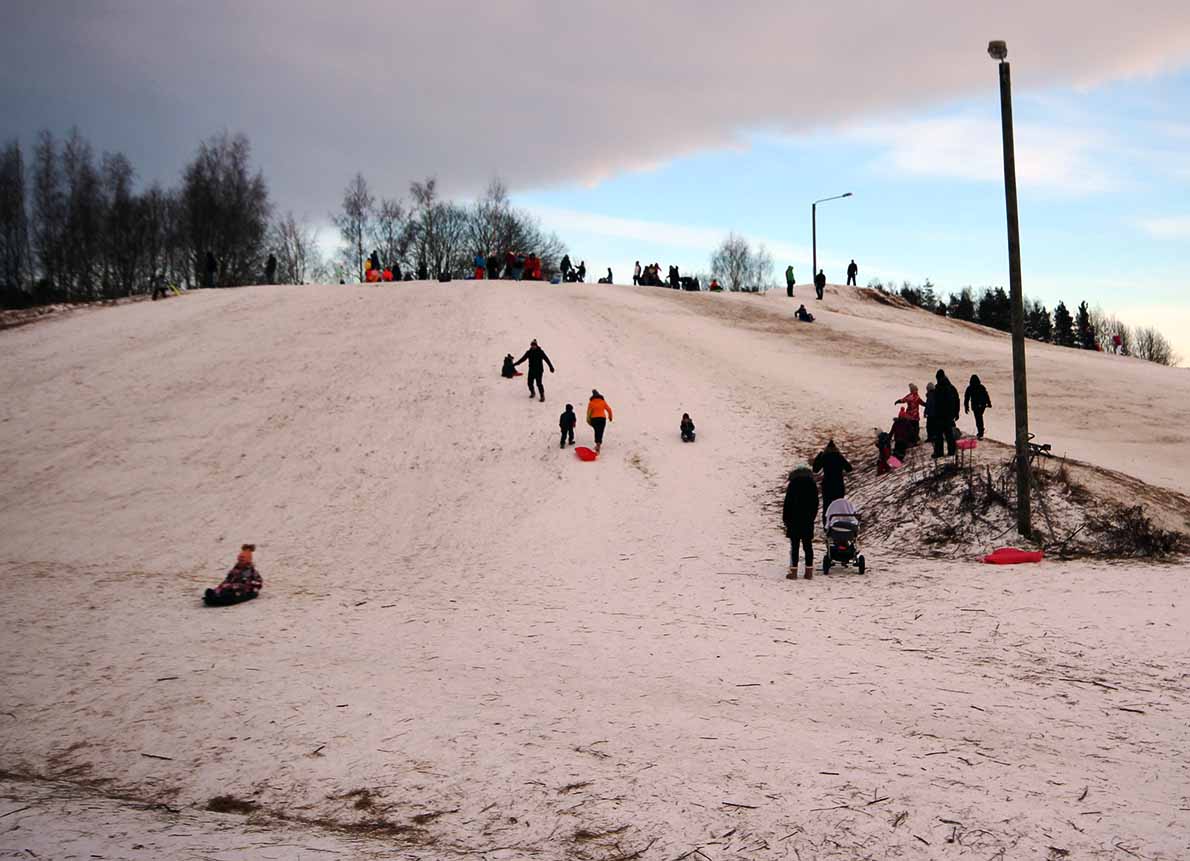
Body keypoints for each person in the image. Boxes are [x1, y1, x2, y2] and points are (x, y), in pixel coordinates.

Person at [782, 464, 819, 579]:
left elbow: (787, 503)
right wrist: (812, 516)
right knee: (808, 545)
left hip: (794, 519)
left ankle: (793, 572)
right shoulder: (812, 485)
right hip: (807, 519)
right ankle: (809, 572)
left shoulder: (792, 484)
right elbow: (815, 503)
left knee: (795, 546)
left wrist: (786, 519)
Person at [813, 439, 852, 523]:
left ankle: (826, 524)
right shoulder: (839, 457)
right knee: (838, 505)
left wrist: (819, 456)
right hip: (839, 486)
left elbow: (815, 469)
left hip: (827, 486)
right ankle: (838, 523)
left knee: (827, 506)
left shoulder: (824, 457)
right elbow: (849, 468)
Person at [933, 369, 960, 458]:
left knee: (939, 434)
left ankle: (939, 452)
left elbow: (936, 403)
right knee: (949, 434)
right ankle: (951, 451)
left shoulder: (938, 388)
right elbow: (957, 401)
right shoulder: (951, 388)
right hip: (948, 415)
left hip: (940, 415)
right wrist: (956, 413)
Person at [963, 374, 992, 440]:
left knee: (978, 418)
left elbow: (966, 398)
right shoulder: (981, 387)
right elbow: (986, 395)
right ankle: (981, 430)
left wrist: (966, 407)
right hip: (982, 405)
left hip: (976, 405)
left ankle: (980, 431)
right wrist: (989, 403)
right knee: (979, 417)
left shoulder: (970, 388)